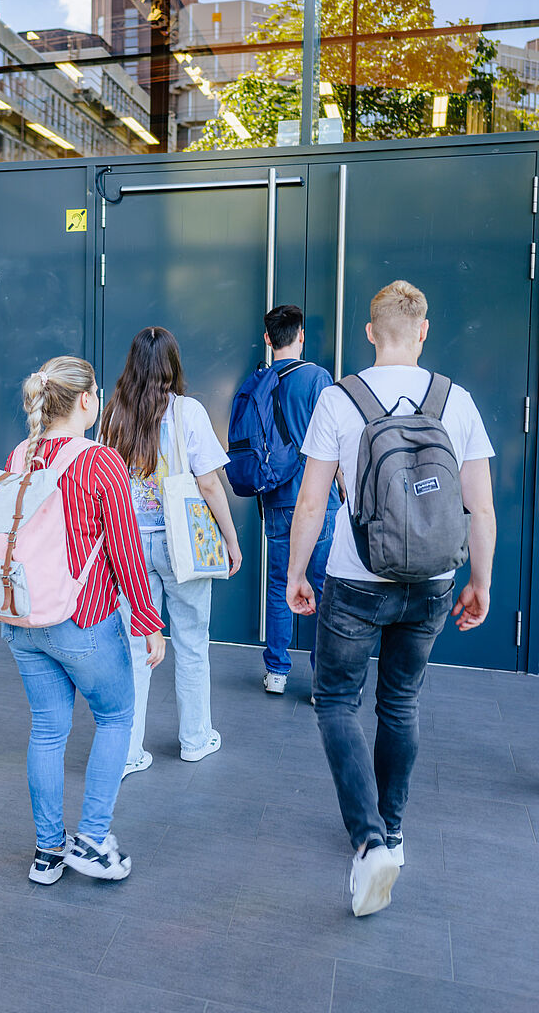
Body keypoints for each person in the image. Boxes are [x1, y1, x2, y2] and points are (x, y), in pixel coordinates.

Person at [286, 281, 496, 917]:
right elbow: (479, 507)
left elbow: (314, 500)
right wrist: (479, 582)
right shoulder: (455, 400)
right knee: (399, 703)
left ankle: (369, 839)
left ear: (369, 332)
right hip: (432, 581)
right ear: (424, 330)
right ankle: (395, 832)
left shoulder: (339, 398)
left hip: (355, 579)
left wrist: (298, 571)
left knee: (334, 703)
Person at [1, 355, 164, 884]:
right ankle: (93, 840)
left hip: (24, 620)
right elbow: (125, 552)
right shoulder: (100, 462)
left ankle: (48, 852)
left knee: (47, 730)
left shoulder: (20, 455)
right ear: (87, 401)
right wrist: (147, 622)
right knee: (116, 717)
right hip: (83, 619)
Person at [101, 328, 242, 776]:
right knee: (192, 643)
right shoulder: (188, 412)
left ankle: (126, 751)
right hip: (183, 545)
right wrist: (231, 540)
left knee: (135, 647)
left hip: (130, 546)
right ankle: (195, 740)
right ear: (173, 365)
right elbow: (208, 483)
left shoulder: (113, 416)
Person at [257, 303, 341, 696]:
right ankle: (320, 680)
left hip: (276, 498)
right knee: (323, 587)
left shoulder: (259, 381)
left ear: (268, 339)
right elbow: (333, 441)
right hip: (318, 499)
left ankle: (276, 672)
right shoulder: (319, 378)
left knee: (279, 583)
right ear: (301, 336)